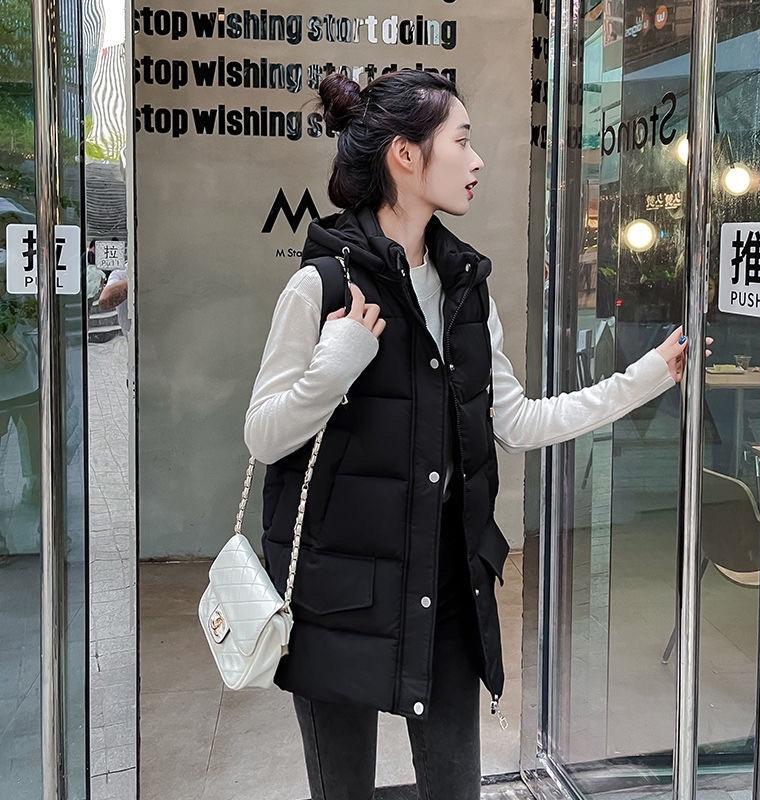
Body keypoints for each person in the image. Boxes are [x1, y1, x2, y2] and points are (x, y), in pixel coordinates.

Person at [243, 69, 711, 800]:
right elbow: (264, 436)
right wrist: (336, 366)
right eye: (461, 141)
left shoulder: (464, 286)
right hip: (339, 599)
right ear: (406, 155)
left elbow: (516, 422)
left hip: (446, 591)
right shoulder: (322, 285)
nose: (477, 159)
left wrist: (648, 375)